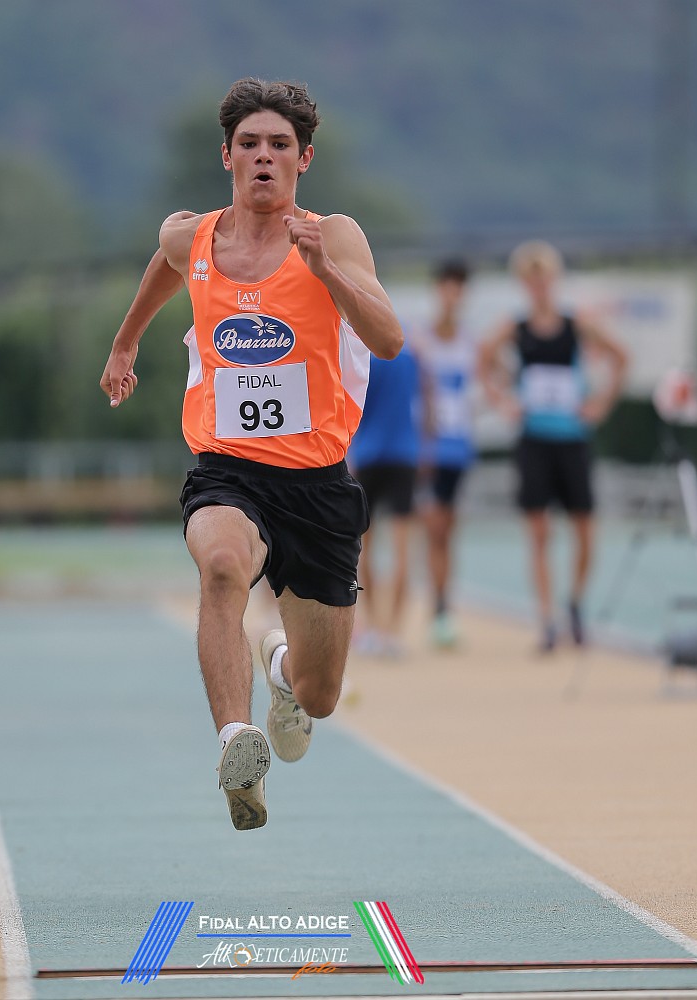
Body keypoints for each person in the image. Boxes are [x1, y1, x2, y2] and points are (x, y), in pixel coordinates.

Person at [100, 79, 403, 831]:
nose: (263, 156)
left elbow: (390, 339)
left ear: (304, 159)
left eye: (278, 145)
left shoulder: (333, 237)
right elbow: (165, 262)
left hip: (318, 484)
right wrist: (126, 342)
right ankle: (237, 742)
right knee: (220, 565)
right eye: (249, 144)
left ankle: (282, 675)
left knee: (321, 694)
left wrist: (327, 273)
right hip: (227, 469)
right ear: (227, 156)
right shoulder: (194, 238)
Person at [478, 242, 627, 652]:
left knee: (585, 530)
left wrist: (600, 404)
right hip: (535, 439)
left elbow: (621, 356)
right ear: (524, 284)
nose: (539, 286)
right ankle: (546, 620)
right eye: (532, 280)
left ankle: (575, 602)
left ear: (554, 280)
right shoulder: (517, 326)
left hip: (572, 438)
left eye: (544, 278)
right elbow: (484, 357)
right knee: (539, 532)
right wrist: (502, 400)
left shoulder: (576, 323)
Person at [348, 341, 425, 658]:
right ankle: (393, 631)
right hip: (404, 456)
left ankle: (373, 627)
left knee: (364, 548)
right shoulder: (410, 356)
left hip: (368, 456)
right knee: (402, 549)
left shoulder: (364, 356)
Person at [416, 259, 475, 647]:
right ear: (439, 291)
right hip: (429, 449)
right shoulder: (421, 340)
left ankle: (443, 604)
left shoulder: (471, 342)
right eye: (447, 287)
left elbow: (492, 376)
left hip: (459, 448)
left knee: (448, 530)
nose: (453, 296)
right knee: (434, 529)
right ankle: (438, 607)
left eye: (459, 288)